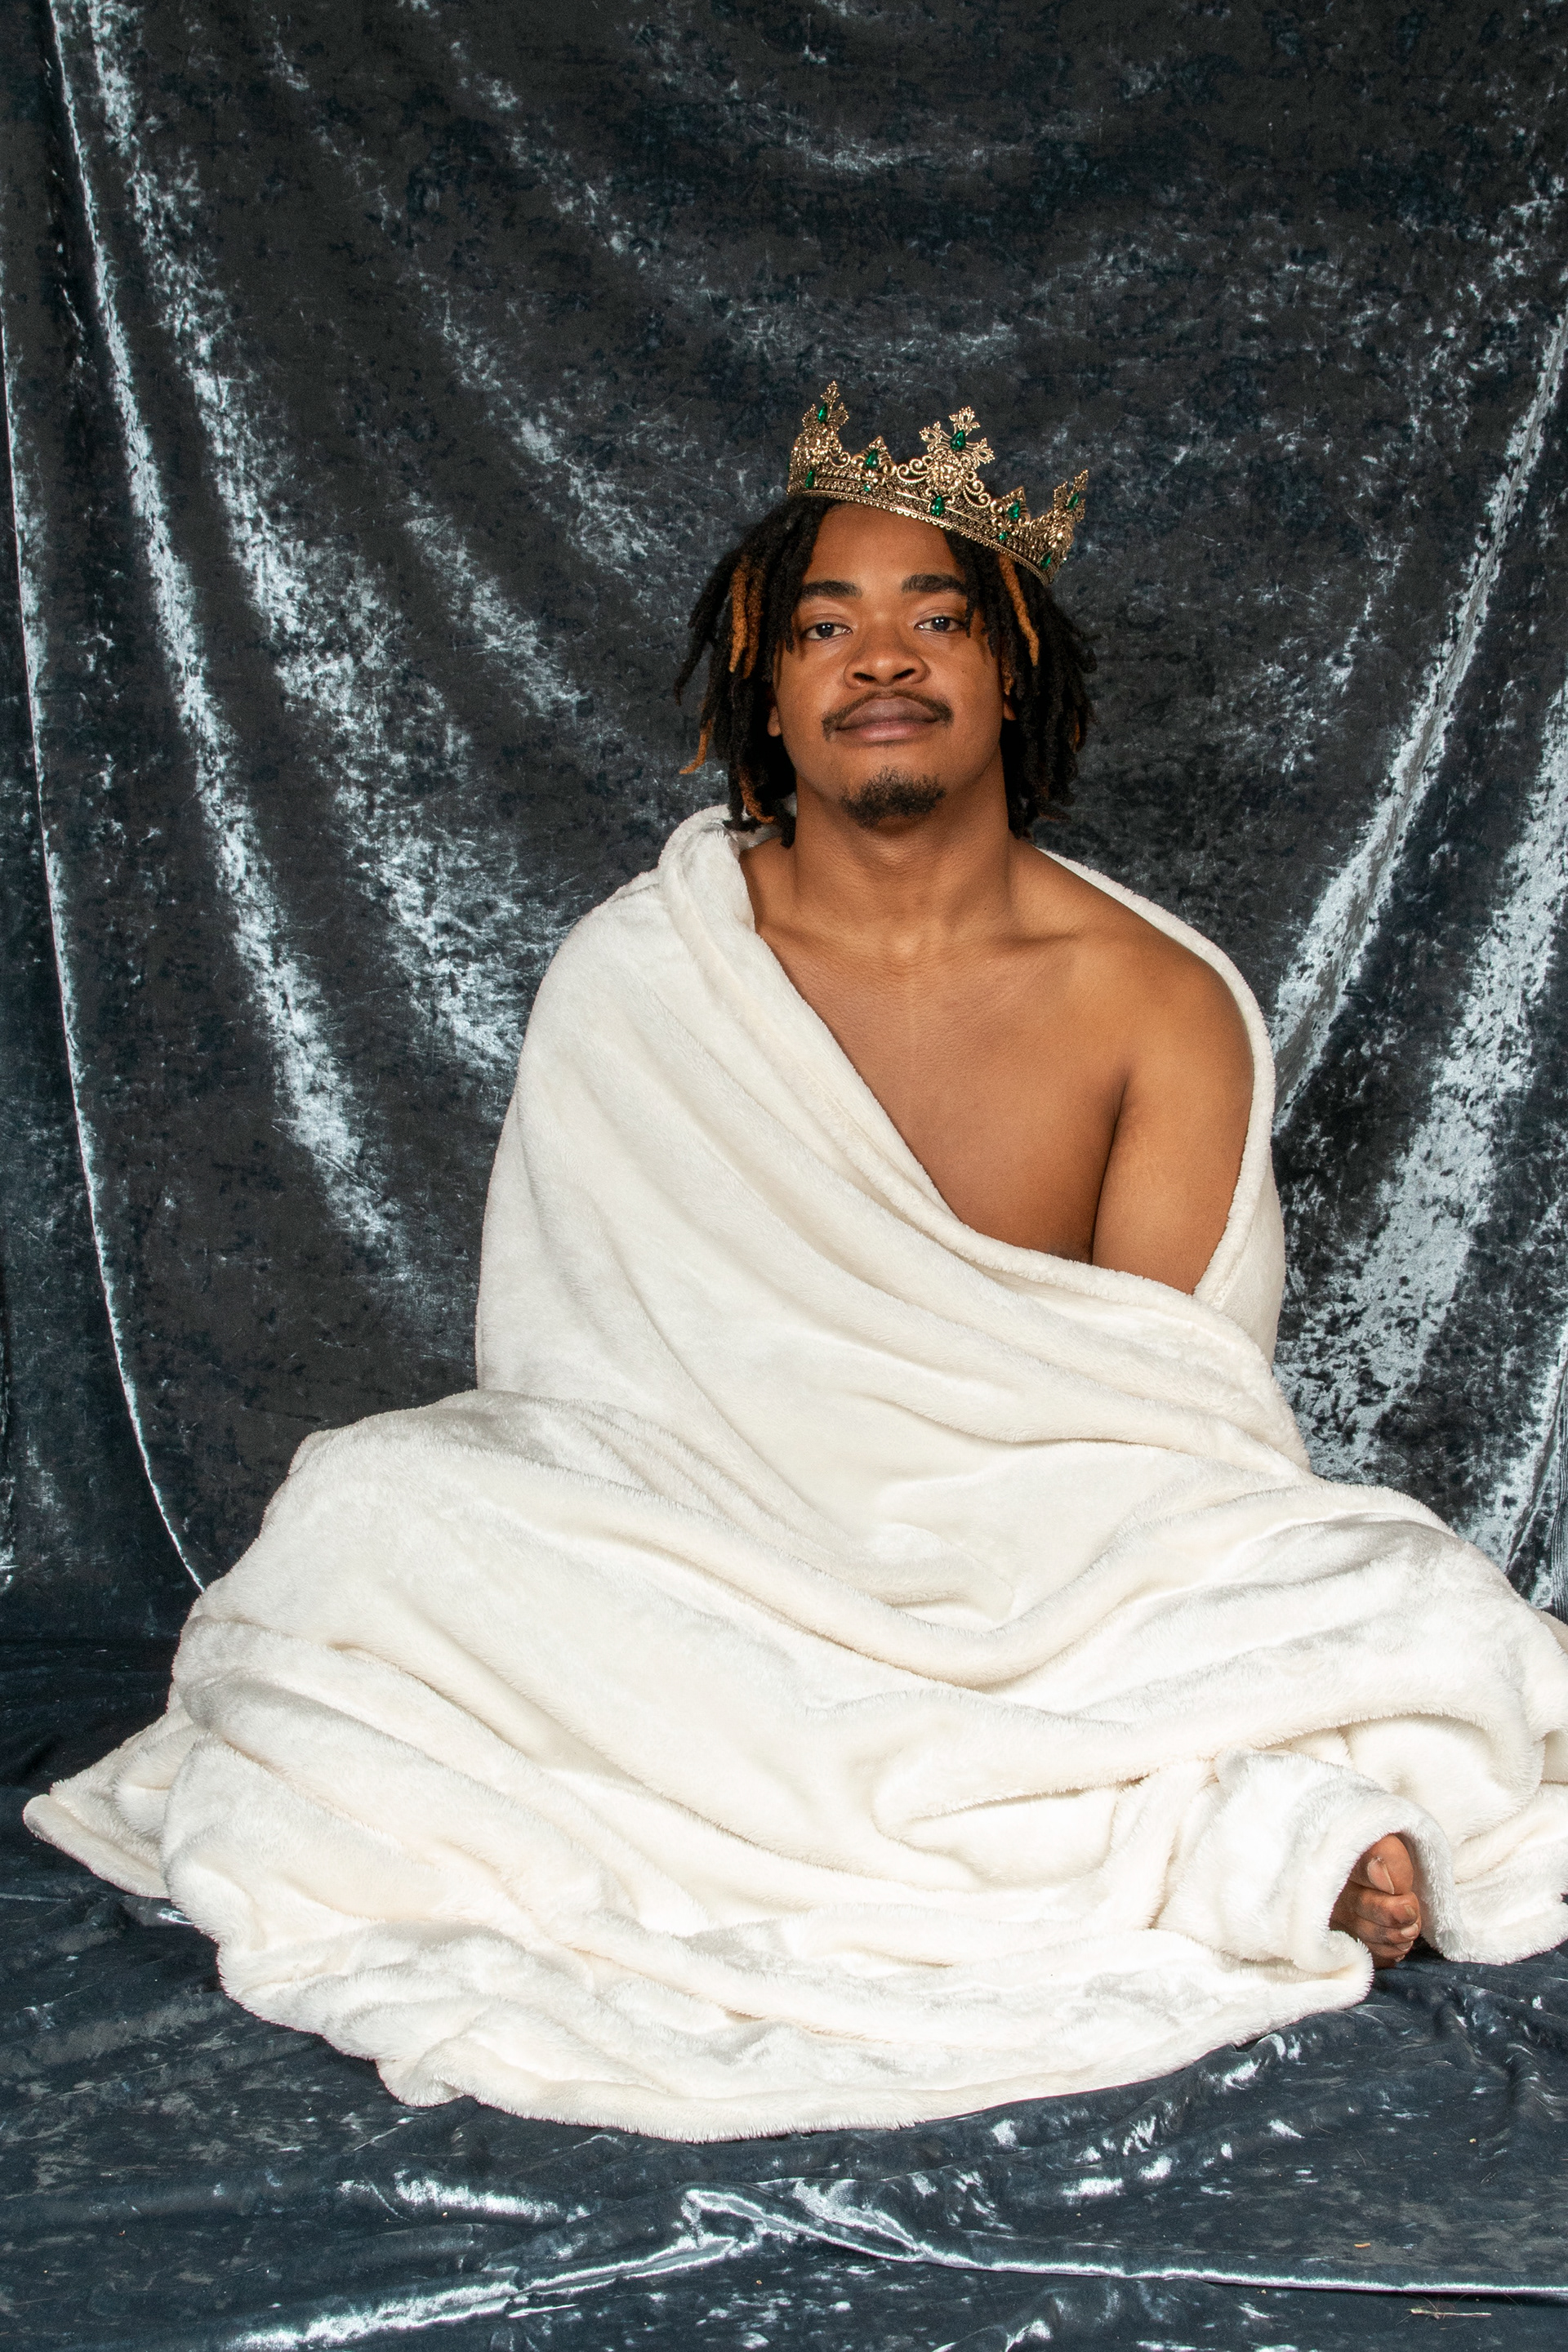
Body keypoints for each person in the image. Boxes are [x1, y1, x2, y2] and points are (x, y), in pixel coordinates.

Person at [27, 388, 1565, 2141]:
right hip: (703, 1544)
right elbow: (577, 1387)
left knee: (1393, 1595)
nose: (880, 658)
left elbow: (1171, 1434)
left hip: (1040, 1569)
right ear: (768, 690)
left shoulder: (1160, 1005)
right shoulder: (645, 971)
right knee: (374, 1515)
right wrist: (757, 1558)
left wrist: (992, 1600)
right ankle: (1171, 1821)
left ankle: (1216, 1823)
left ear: (1012, 674)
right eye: (826, 626)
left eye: (935, 619)